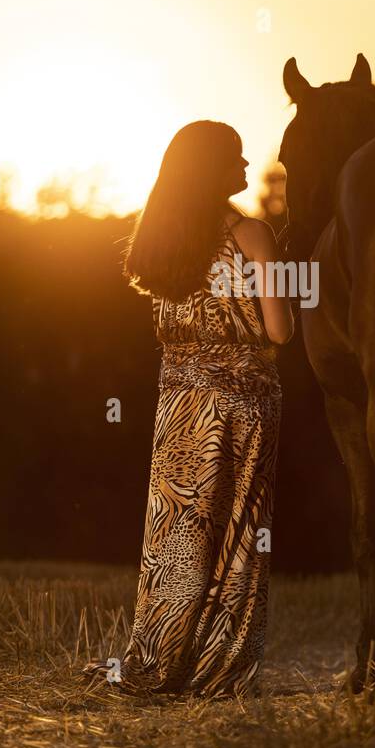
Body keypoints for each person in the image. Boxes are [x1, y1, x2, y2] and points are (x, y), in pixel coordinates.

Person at [84, 121, 293, 698]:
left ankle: (159, 656)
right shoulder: (253, 234)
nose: (248, 168)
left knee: (176, 531)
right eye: (236, 159)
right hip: (244, 398)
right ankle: (217, 666)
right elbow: (278, 329)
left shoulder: (161, 235)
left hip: (178, 400)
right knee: (240, 530)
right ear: (212, 168)